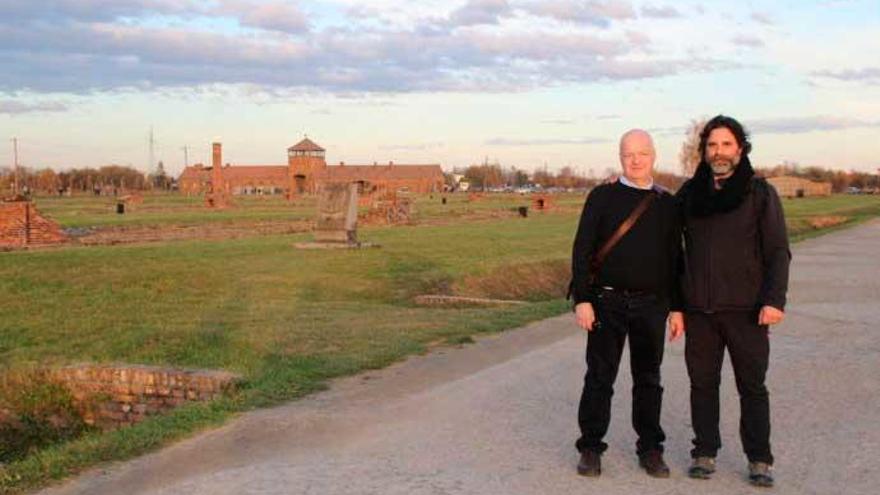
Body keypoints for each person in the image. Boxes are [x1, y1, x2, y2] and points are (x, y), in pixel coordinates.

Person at [676, 115, 790, 488]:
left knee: (752, 387)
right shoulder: (690, 195)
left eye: (726, 144)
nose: (718, 152)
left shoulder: (760, 194)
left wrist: (774, 300)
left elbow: (777, 251)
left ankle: (759, 458)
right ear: (704, 151)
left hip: (748, 311)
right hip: (701, 311)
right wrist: (622, 186)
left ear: (740, 149)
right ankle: (704, 452)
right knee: (702, 385)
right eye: (711, 145)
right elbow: (658, 225)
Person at [569, 129, 684, 478]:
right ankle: (590, 447)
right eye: (628, 154)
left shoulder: (667, 203)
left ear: (653, 156)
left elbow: (675, 259)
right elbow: (582, 249)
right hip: (607, 302)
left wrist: (678, 307)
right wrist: (582, 300)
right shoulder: (601, 197)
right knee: (600, 377)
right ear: (620, 157)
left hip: (652, 305)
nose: (635, 160)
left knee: (649, 379)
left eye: (642, 154)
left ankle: (650, 448)